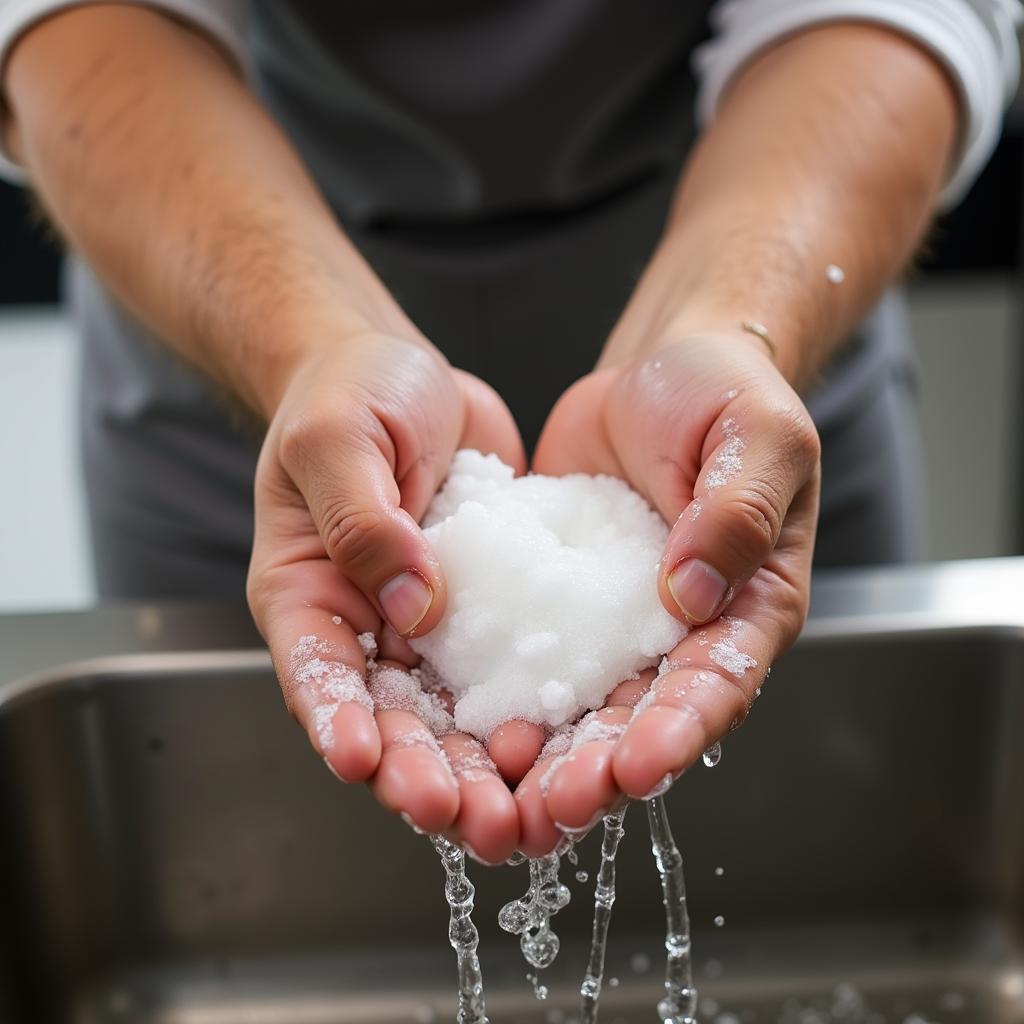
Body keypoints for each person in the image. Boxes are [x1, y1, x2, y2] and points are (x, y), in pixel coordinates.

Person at [0, 1, 1018, 864]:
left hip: (751, 338)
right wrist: (316, 348)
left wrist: (725, 325)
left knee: (819, 861)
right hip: (233, 310)